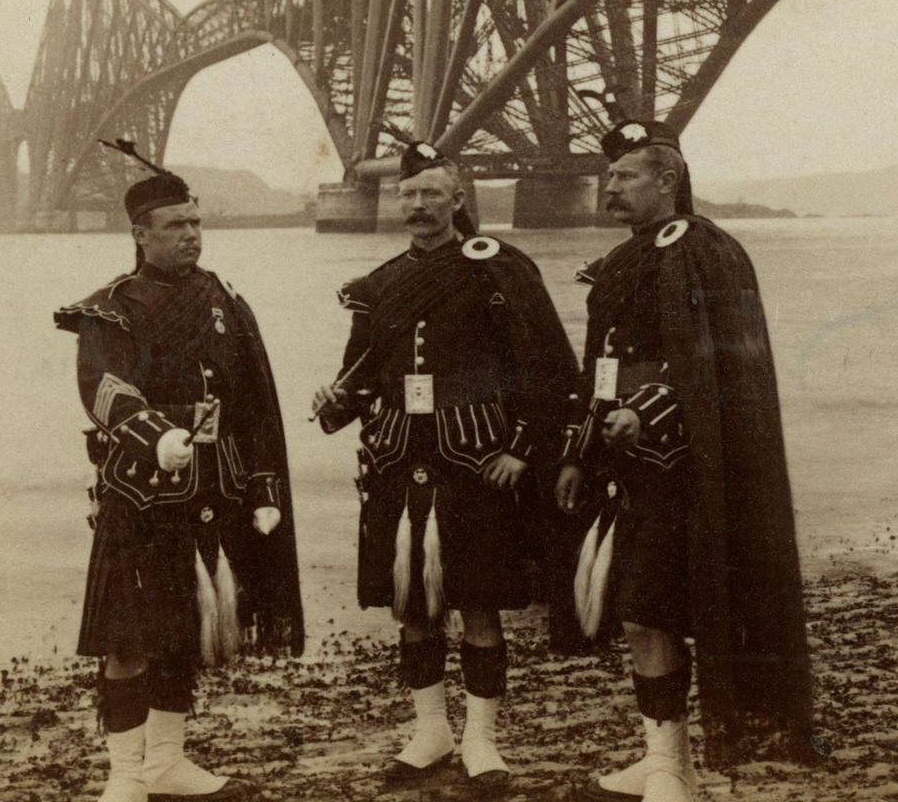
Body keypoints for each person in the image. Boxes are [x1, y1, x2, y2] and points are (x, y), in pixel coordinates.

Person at [555, 120, 814, 802]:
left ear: (666, 180)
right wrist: (579, 453)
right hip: (624, 467)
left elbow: (721, 363)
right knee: (640, 611)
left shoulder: (704, 250)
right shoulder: (624, 260)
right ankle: (664, 757)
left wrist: (651, 413)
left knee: (655, 609)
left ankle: (674, 768)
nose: (610, 188)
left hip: (686, 469)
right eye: (608, 178)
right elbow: (599, 369)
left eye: (625, 177)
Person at [312, 141, 579, 793]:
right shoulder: (377, 285)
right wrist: (334, 402)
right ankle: (431, 732)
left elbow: (544, 367)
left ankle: (483, 740)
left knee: (480, 605)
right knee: (414, 606)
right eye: (408, 195)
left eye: (432, 193)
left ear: (459, 201)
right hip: (398, 461)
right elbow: (364, 374)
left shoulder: (499, 270)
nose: (418, 206)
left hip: (479, 463)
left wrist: (522, 448)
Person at [55, 144, 304, 802]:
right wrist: (155, 434)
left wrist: (264, 487)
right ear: (141, 235)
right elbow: (104, 391)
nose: (191, 235)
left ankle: (167, 760)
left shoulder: (223, 298)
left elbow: (253, 404)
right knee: (128, 638)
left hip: (213, 488)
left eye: (196, 223)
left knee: (185, 630)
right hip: (139, 493)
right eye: (176, 226)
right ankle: (124, 777)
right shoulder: (110, 307)